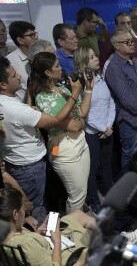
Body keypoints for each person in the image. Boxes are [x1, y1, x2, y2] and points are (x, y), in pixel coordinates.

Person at [30, 52, 92, 213]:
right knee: (76, 196)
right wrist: (75, 95)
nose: (61, 68)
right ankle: (72, 232)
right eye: (57, 66)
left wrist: (89, 91)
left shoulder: (62, 88)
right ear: (48, 73)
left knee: (82, 192)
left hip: (81, 142)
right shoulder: (42, 97)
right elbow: (73, 125)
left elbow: (82, 113)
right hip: (64, 148)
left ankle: (80, 226)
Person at [0, 187, 92, 266]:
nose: (25, 213)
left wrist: (37, 233)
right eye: (23, 209)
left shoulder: (8, 233)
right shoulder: (27, 243)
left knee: (77, 214)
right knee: (84, 229)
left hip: (43, 250)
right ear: (15, 214)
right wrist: (57, 241)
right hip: (61, 263)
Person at [74, 46, 114, 216]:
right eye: (91, 57)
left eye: (95, 55)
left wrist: (109, 126)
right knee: (92, 170)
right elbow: (84, 113)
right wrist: (103, 128)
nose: (96, 58)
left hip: (107, 130)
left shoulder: (100, 78)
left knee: (106, 166)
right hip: (92, 133)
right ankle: (94, 201)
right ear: (83, 62)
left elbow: (110, 103)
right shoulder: (81, 85)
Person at [105, 28, 137, 168]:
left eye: (132, 41)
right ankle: (128, 187)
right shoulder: (114, 67)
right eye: (127, 42)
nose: (132, 44)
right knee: (130, 155)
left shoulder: (136, 61)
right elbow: (124, 97)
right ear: (116, 45)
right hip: (129, 119)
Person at [6, 21, 36, 103]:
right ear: (20, 40)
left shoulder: (39, 54)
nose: (35, 38)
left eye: (35, 34)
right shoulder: (9, 61)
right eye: (31, 35)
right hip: (24, 107)